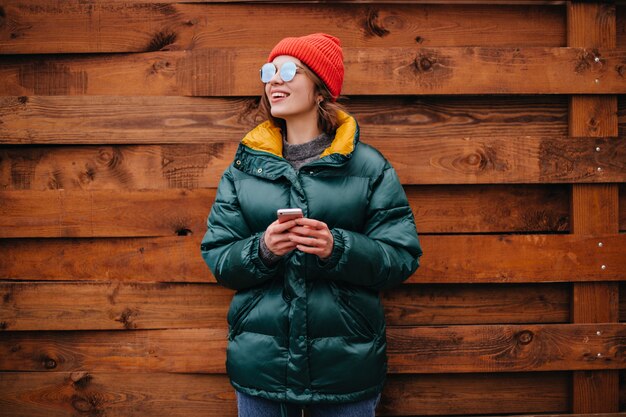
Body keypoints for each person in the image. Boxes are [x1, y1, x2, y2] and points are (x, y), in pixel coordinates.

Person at [200, 33, 422, 417]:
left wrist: (339, 248)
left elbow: (401, 256)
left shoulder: (369, 167)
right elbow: (219, 256)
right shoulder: (242, 171)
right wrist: (262, 249)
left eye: (289, 70)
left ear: (320, 89)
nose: (274, 81)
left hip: (345, 368)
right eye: (268, 71)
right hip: (262, 367)